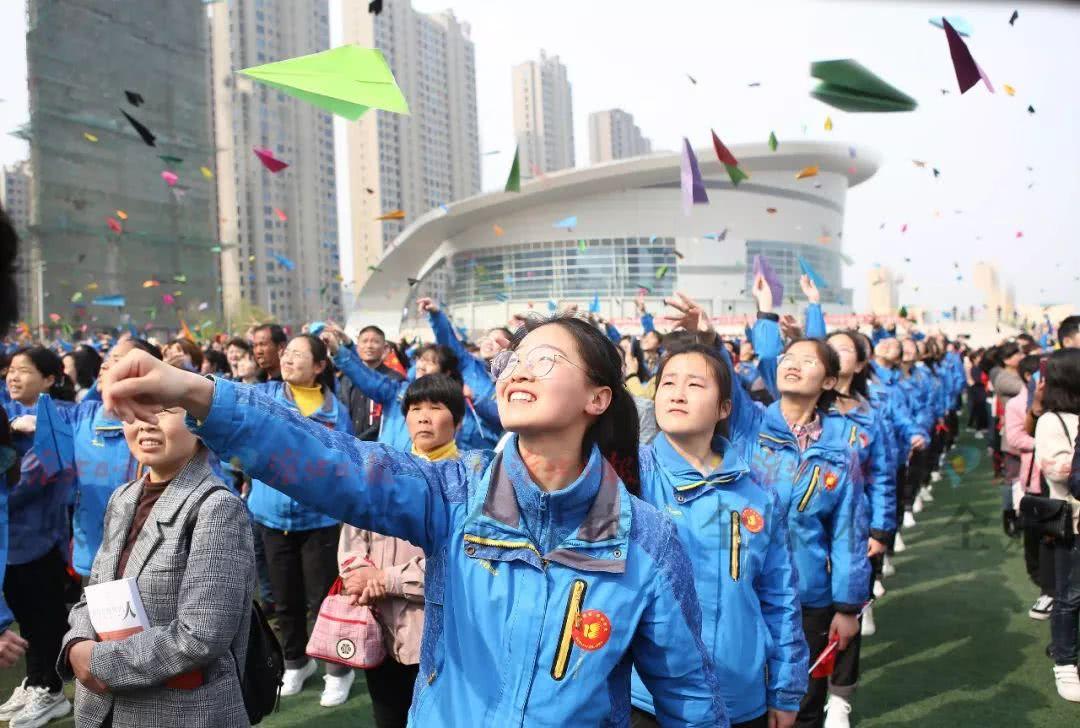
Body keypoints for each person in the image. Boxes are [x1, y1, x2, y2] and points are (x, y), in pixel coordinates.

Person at [101, 313, 729, 726]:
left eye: (545, 360)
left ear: (598, 397)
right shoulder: (453, 494)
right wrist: (197, 392)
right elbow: (333, 463)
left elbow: (689, 697)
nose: (517, 371)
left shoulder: (645, 539)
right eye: (513, 361)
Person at [671, 281, 869, 728]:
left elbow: (848, 533)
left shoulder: (841, 453)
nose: (793, 364)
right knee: (735, 697)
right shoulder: (749, 423)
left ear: (829, 381)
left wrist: (847, 607)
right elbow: (723, 378)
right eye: (788, 358)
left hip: (808, 595)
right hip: (741, 584)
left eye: (808, 361)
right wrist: (709, 339)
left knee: (800, 702)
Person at [630, 341, 806, 728]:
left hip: (740, 694)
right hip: (647, 697)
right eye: (668, 383)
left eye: (695, 384)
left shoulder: (757, 494)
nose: (677, 393)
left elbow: (780, 596)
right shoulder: (629, 478)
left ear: (724, 407)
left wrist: (785, 688)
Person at [59, 407, 255, 726]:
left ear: (199, 423)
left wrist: (97, 661)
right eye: (135, 411)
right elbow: (93, 593)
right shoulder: (123, 497)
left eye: (163, 411)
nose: (146, 423)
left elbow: (202, 636)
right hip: (101, 706)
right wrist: (76, 643)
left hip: (179, 712)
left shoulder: (217, 507)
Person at [339, 374, 463, 727]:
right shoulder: (382, 474)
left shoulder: (469, 482)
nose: (423, 417)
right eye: (415, 408)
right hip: (379, 626)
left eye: (435, 408)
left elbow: (459, 564)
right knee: (387, 715)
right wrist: (359, 574)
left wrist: (388, 579)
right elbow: (353, 535)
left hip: (441, 636)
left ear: (457, 420)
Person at [244, 333, 355, 705]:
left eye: (298, 354)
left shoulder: (336, 413)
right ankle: (295, 661)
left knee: (325, 600)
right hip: (272, 516)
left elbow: (347, 464)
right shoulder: (265, 397)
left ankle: (337, 669)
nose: (288, 359)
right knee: (285, 599)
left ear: (320, 366)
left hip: (319, 520)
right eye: (286, 353)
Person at [26, 339, 163, 581]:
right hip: (93, 559)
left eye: (118, 360)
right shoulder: (82, 416)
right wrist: (16, 424)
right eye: (107, 359)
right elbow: (35, 423)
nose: (106, 366)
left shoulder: (169, 426)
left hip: (152, 565)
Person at [1, 347, 76, 727]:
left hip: (40, 539)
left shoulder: (58, 421)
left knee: (44, 616)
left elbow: (30, 478)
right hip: (11, 542)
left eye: (24, 371)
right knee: (26, 616)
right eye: (11, 370)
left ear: (48, 379)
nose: (13, 377)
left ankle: (51, 688)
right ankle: (34, 681)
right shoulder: (11, 416)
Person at [1033, 349, 1080, 702]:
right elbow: (1056, 469)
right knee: (1070, 595)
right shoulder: (1052, 420)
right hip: (1071, 519)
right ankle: (1065, 662)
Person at [419, 298, 503, 449]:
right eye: (487, 338)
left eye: (496, 340)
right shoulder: (469, 365)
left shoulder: (513, 379)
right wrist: (436, 315)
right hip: (454, 447)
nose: (489, 342)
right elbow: (448, 341)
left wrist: (476, 399)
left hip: (486, 452)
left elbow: (504, 416)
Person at [335, 324, 404, 441]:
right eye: (364, 341)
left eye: (375, 342)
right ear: (357, 346)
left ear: (385, 347)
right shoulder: (346, 378)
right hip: (347, 443)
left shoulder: (394, 380)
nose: (369, 346)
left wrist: (360, 441)